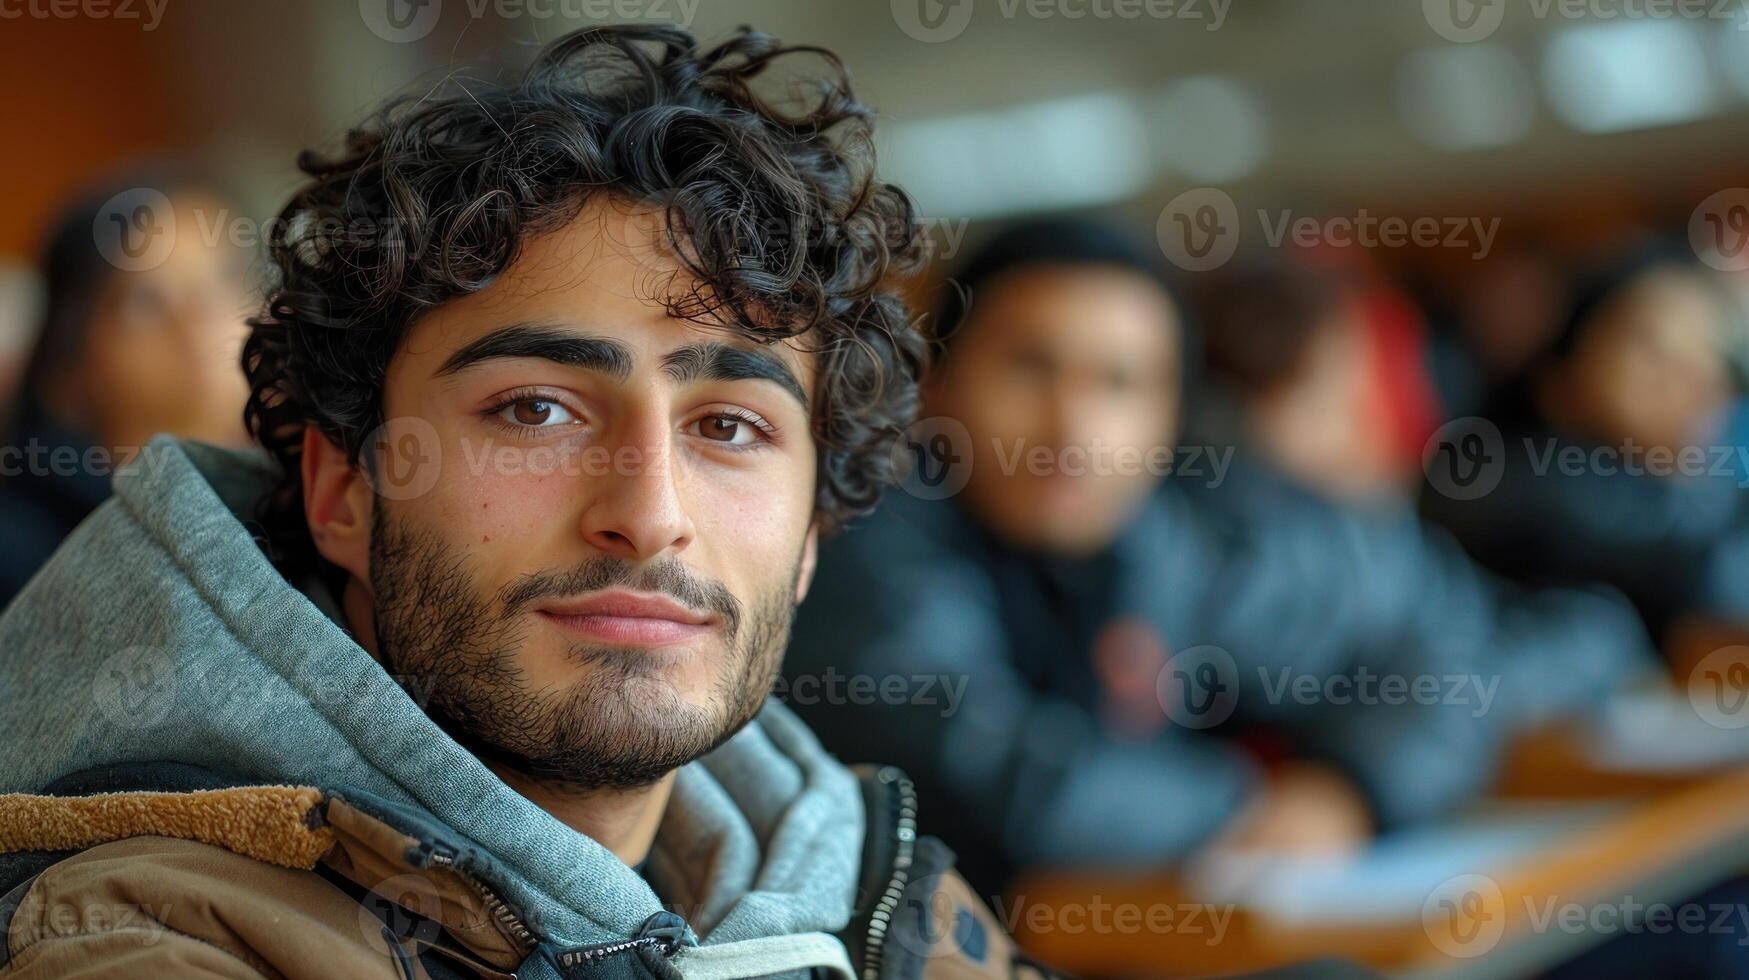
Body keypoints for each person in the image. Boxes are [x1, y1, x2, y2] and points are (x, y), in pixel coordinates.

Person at [0, 26, 1057, 979]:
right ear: (341, 491)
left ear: (812, 538)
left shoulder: (883, 894)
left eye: (729, 426)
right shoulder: (141, 935)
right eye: (535, 409)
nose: (647, 513)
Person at [785, 219, 1653, 896]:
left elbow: (1452, 647)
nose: (1072, 428)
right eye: (1029, 367)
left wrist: (1354, 788)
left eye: (1122, 383)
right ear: (935, 382)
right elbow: (1009, 788)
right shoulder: (867, 546)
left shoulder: (1174, 547)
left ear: (1171, 418)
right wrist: (1247, 806)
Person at [1421, 244, 1749, 643]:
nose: (1688, 376)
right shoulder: (1501, 478)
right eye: (1651, 348)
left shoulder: (1715, 491)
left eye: (1707, 355)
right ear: (1564, 372)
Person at [0, 172, 253, 607]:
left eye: (224, 277)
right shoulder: (25, 560)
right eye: (146, 301)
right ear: (68, 375)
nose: (200, 316)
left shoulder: (318, 506)